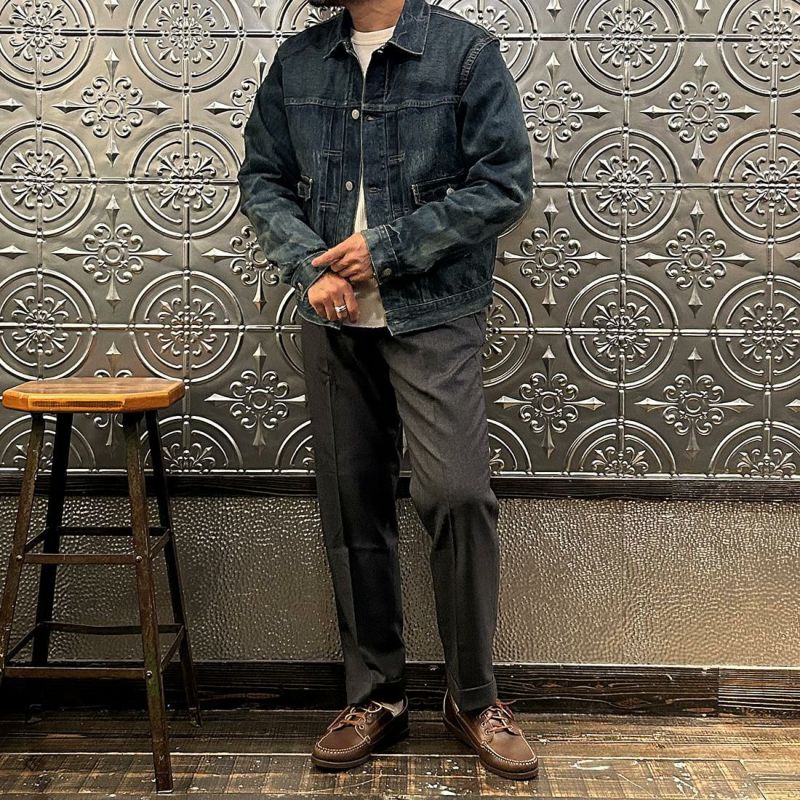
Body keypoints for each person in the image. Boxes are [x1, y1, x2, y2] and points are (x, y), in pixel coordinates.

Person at [237, 0, 536, 781]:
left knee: (458, 494)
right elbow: (262, 180)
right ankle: (377, 696)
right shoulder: (299, 61)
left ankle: (473, 698)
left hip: (435, 312)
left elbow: (504, 185)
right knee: (352, 502)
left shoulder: (465, 54)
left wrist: (388, 249)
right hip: (334, 321)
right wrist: (308, 266)